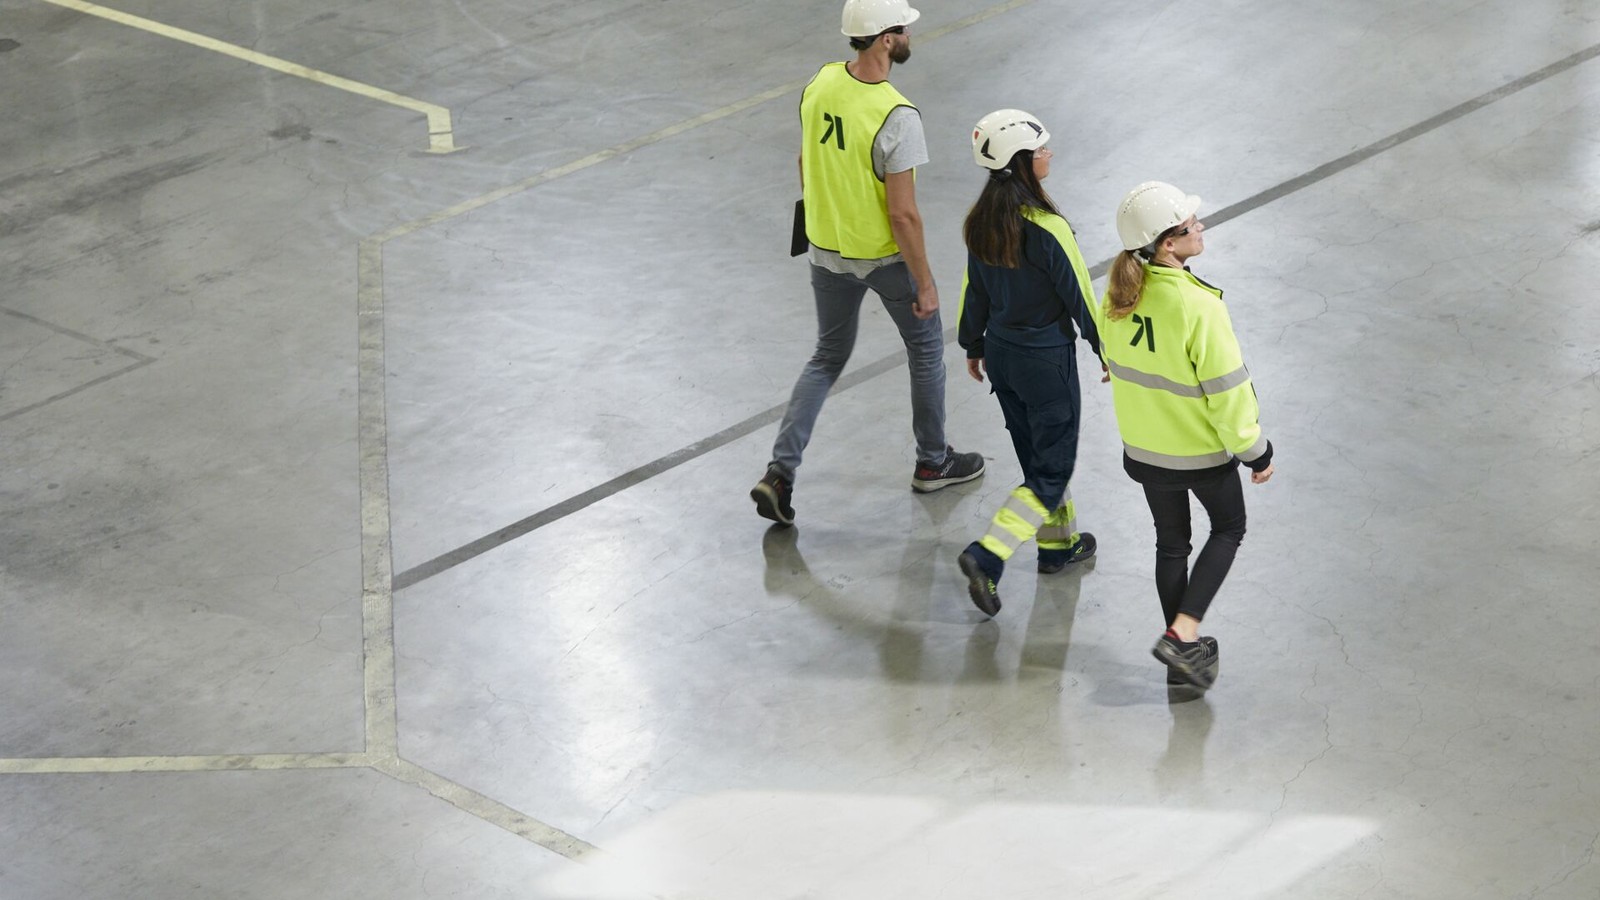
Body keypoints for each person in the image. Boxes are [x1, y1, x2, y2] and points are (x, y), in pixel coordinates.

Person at [751, 0, 985, 527]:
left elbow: (803, 162)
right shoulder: (897, 115)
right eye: (902, 29)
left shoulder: (820, 83)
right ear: (885, 39)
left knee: (826, 357)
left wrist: (828, 217)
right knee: (925, 349)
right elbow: (903, 214)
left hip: (826, 251)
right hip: (881, 258)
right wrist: (924, 283)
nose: (908, 36)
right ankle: (933, 462)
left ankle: (780, 472)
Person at [1096, 181, 1275, 688]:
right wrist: (1255, 452)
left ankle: (1182, 652)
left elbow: (1114, 361)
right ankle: (1183, 633)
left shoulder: (1116, 296)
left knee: (1171, 545)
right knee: (1228, 528)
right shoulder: (1198, 307)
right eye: (1189, 225)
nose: (1201, 227)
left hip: (1145, 449)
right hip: (1197, 451)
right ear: (1167, 244)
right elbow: (1228, 392)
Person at [952, 109, 1102, 617]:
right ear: (1020, 161)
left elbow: (975, 290)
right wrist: (1106, 348)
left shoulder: (982, 221)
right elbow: (1079, 291)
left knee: (1037, 459)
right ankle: (988, 555)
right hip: (1045, 363)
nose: (1049, 154)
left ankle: (1058, 546)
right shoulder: (1046, 226)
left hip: (1003, 358)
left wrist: (973, 343)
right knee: (1053, 467)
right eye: (1041, 149)